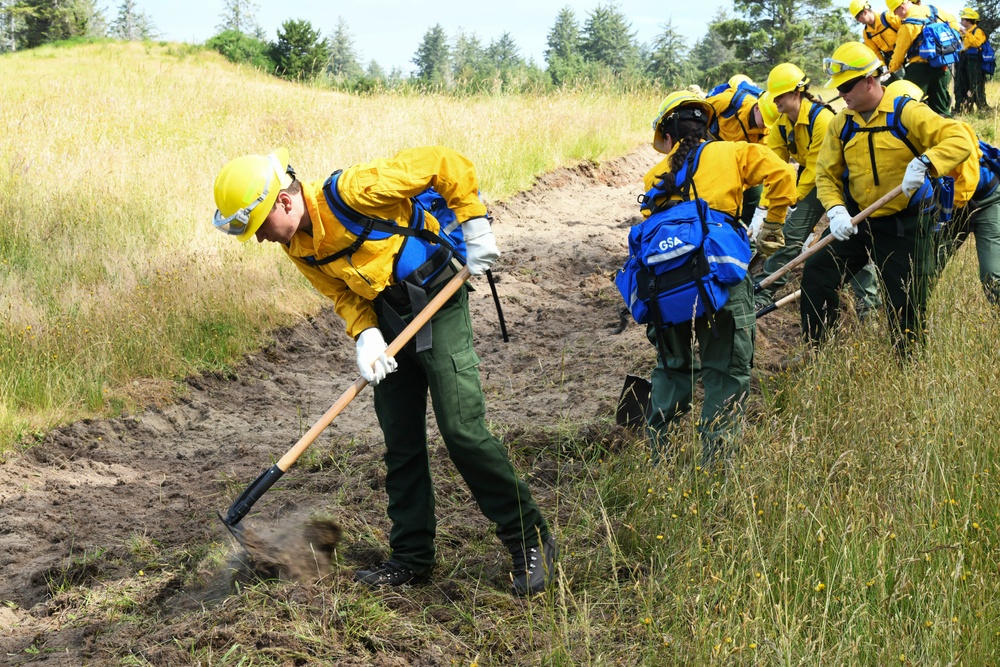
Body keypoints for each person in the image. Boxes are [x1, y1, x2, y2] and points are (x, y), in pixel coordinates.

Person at [211, 146, 556, 597]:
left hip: (438, 303)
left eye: (259, 227)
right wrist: (365, 336)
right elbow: (343, 294)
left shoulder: (352, 191)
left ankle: (530, 539)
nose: (259, 239)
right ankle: (412, 558)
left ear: (283, 201)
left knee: (463, 430)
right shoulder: (296, 244)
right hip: (388, 322)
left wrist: (475, 225)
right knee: (401, 440)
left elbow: (443, 163)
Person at [643, 91, 796, 463]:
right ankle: (716, 465)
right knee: (726, 371)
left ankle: (658, 456)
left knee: (673, 367)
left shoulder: (655, 174)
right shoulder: (733, 151)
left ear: (668, 134)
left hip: (666, 289)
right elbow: (782, 175)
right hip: (721, 277)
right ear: (708, 126)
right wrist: (773, 225)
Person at [803, 42, 977, 355]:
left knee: (906, 303)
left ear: (870, 81)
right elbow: (826, 175)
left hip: (905, 224)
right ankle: (818, 349)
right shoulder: (842, 124)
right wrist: (837, 210)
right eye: (838, 88)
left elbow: (961, 138)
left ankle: (908, 364)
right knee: (818, 270)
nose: (841, 94)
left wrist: (927, 162)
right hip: (858, 220)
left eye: (846, 86)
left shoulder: (906, 111)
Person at [752, 63, 882, 319]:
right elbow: (775, 171)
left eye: (780, 95)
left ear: (796, 93)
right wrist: (765, 208)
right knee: (790, 236)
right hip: (815, 182)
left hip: (843, 181)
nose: (775, 101)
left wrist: (792, 200)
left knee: (847, 236)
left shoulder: (821, 118)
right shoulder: (779, 126)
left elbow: (814, 168)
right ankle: (763, 292)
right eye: (773, 95)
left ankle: (869, 306)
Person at [704, 74, 771, 228]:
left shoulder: (768, 129)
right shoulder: (727, 101)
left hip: (743, 154)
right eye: (764, 120)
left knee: (754, 191)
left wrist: (741, 186)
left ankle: (744, 232)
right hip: (715, 144)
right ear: (756, 108)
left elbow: (762, 163)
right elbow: (699, 117)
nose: (765, 126)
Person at [888, 0, 962, 116]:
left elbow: (899, 52)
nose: (896, 15)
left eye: (895, 12)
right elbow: (955, 26)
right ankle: (949, 131)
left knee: (905, 105)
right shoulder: (934, 10)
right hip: (943, 65)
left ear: (901, 7)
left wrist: (892, 68)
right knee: (941, 110)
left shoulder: (908, 24)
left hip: (919, 69)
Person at [850, 0, 903, 82]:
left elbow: (905, 31)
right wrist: (883, 67)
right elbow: (876, 53)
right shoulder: (867, 33)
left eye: (857, 17)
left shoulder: (887, 17)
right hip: (890, 59)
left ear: (864, 12)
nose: (858, 21)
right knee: (897, 82)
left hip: (904, 52)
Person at [954, 7, 990, 113]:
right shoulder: (962, 33)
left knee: (976, 84)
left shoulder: (978, 31)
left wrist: (965, 32)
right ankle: (962, 107)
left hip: (974, 62)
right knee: (961, 84)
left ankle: (982, 108)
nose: (961, 21)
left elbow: (976, 43)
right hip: (962, 60)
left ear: (969, 20)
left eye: (963, 19)